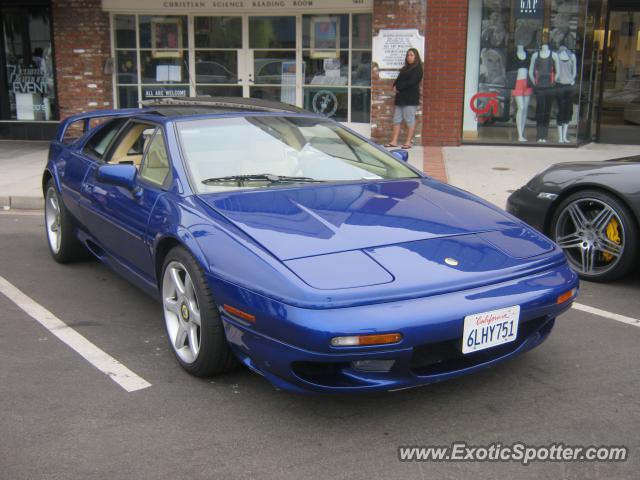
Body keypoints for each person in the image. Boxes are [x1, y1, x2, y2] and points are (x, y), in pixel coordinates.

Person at [386, 48, 423, 149]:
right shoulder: (404, 69)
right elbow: (397, 81)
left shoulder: (418, 69)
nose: (409, 57)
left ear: (416, 57)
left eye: (411, 55)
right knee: (396, 119)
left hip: (410, 99)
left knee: (409, 120)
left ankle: (408, 141)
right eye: (408, 55)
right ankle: (394, 141)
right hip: (400, 98)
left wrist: (398, 87)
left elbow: (411, 82)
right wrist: (395, 86)